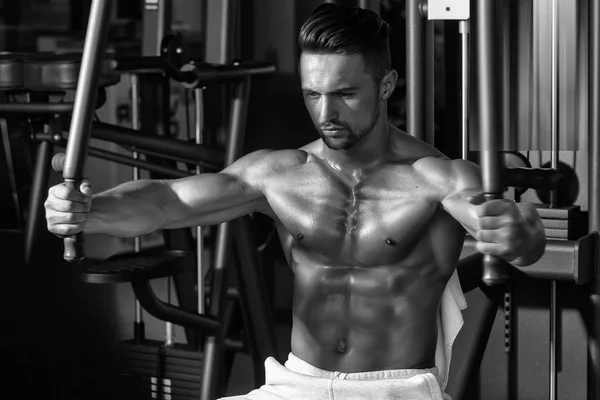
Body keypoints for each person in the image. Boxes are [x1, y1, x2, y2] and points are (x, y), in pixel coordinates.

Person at [45, 4, 546, 400]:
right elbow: (166, 200)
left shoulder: (435, 177)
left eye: (345, 93)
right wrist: (92, 211)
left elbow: (519, 234)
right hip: (295, 385)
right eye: (312, 94)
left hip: (394, 390)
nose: (325, 113)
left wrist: (517, 230)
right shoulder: (279, 174)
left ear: (387, 85)